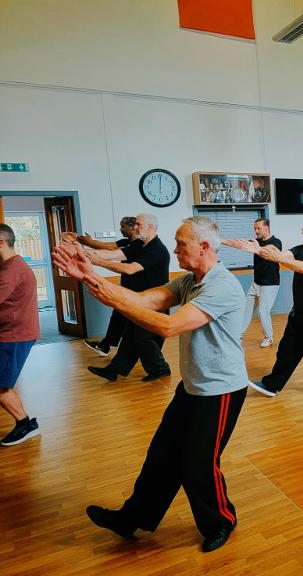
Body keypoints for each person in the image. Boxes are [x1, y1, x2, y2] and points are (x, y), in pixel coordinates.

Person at [52, 216, 248, 553]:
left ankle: (221, 521)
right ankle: (131, 519)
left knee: (198, 463)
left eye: (181, 243)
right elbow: (144, 301)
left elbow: (168, 327)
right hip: (193, 387)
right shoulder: (189, 281)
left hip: (222, 390)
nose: (174, 249)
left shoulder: (222, 286)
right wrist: (89, 276)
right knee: (161, 455)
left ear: (203, 247)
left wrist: (111, 297)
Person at [240, 218, 303, 398]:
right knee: (287, 348)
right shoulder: (301, 249)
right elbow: (282, 254)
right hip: (299, 310)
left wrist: (277, 258)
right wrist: (259, 250)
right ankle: (271, 385)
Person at [82, 214, 171, 382]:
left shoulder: (157, 249)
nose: (134, 227)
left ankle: (161, 369)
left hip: (154, 303)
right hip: (138, 300)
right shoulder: (139, 244)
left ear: (150, 227)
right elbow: (114, 254)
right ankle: (114, 370)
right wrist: (83, 253)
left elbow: (130, 269)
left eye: (138, 224)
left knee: (144, 338)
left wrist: (97, 262)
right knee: (131, 335)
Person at [63, 217, 138, 356]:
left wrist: (79, 247)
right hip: (127, 287)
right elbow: (107, 246)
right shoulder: (126, 242)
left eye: (123, 227)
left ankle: (107, 346)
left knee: (128, 322)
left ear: (133, 226)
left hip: (139, 291)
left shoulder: (138, 245)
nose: (120, 229)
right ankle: (106, 345)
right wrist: (80, 240)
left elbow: (109, 253)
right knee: (119, 316)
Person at [0, 223, 41, 446]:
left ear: (2, 243)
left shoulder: (11, 271)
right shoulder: (11, 266)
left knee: (1, 386)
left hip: (14, 336)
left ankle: (24, 424)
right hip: (12, 332)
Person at [240, 218, 282, 348]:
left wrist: (256, 248)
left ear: (267, 227)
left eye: (258, 228)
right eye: (255, 229)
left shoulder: (276, 242)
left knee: (263, 312)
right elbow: (240, 243)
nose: (256, 231)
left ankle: (268, 337)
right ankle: (238, 335)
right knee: (245, 309)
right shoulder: (256, 242)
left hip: (270, 284)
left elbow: (268, 250)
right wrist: (221, 240)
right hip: (256, 283)